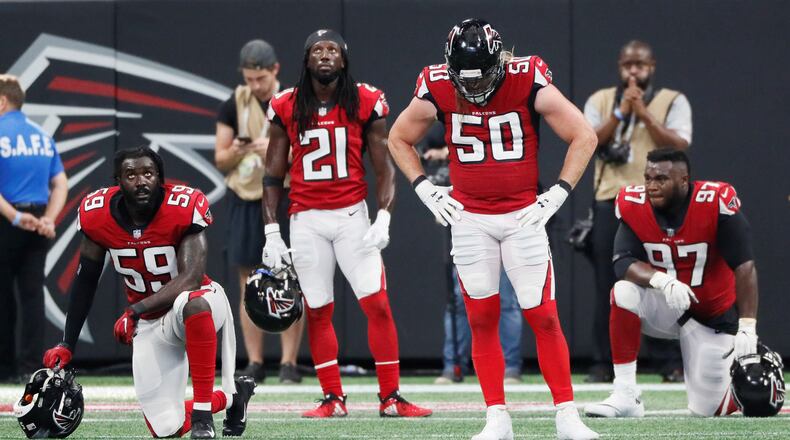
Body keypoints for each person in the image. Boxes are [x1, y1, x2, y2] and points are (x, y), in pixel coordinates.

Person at [388, 19, 599, 440]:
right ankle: (497, 417)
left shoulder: (527, 77)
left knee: (543, 314)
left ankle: (566, 415)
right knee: (481, 318)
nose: (473, 87)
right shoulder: (437, 84)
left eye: (482, 76)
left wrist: (558, 193)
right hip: (469, 218)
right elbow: (398, 137)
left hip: (523, 216)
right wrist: (425, 188)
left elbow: (584, 134)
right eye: (464, 78)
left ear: (499, 63)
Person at [262, 29, 432, 419]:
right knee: (318, 309)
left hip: (351, 216)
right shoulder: (286, 104)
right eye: (317, 50)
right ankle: (332, 398)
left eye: (332, 50)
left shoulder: (365, 101)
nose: (325, 55)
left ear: (343, 59)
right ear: (306, 60)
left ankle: (391, 397)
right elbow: (272, 175)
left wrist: (384, 215)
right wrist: (272, 231)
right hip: (305, 220)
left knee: (377, 304)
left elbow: (384, 168)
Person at [41, 147, 254, 438]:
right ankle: (233, 397)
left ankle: (203, 416)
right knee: (166, 428)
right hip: (150, 322)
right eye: (131, 175)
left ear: (160, 179)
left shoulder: (182, 206)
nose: (141, 181)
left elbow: (191, 278)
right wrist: (67, 343)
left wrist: (134, 310)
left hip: (199, 301)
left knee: (192, 303)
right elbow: (86, 279)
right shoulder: (97, 214)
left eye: (148, 173)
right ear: (118, 181)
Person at [585, 149, 759, 418]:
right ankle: (625, 394)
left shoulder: (715, 202)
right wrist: (661, 280)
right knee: (623, 291)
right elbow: (622, 261)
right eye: (648, 178)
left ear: (683, 180)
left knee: (712, 411)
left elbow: (744, 266)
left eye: (661, 179)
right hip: (668, 306)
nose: (652, 186)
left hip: (711, 317)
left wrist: (747, 326)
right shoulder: (634, 204)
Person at [582, 40, 692, 383]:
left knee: (662, 279)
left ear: (652, 66)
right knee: (609, 283)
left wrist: (643, 112)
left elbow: (679, 145)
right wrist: (620, 113)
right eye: (627, 65)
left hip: (656, 202)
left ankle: (669, 362)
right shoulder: (600, 100)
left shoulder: (672, 99)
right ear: (619, 66)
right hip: (610, 200)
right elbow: (587, 140)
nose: (633, 71)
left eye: (640, 65)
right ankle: (604, 363)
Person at [215, 39, 304, 384]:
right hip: (246, 196)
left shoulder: (292, 101)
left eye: (261, 78)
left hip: (284, 195)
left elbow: (306, 151)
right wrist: (239, 150)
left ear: (275, 70)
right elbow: (220, 158)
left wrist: (275, 148)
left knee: (289, 279)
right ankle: (254, 361)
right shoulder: (234, 103)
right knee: (248, 281)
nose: (255, 85)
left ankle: (289, 362)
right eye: (249, 79)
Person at [419, 124, 524, 385]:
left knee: (506, 299)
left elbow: (495, 152)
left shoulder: (495, 124)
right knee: (459, 299)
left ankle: (510, 366)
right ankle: (453, 364)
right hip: (465, 221)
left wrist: (448, 153)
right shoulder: (442, 125)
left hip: (504, 215)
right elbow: (422, 149)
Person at [0, 74, 68, 382]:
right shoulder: (41, 135)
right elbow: (60, 183)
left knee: (3, 296)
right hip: (39, 221)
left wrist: (15, 216)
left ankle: (4, 368)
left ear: (2, 101)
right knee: (32, 295)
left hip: (6, 220)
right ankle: (31, 366)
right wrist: (49, 219)